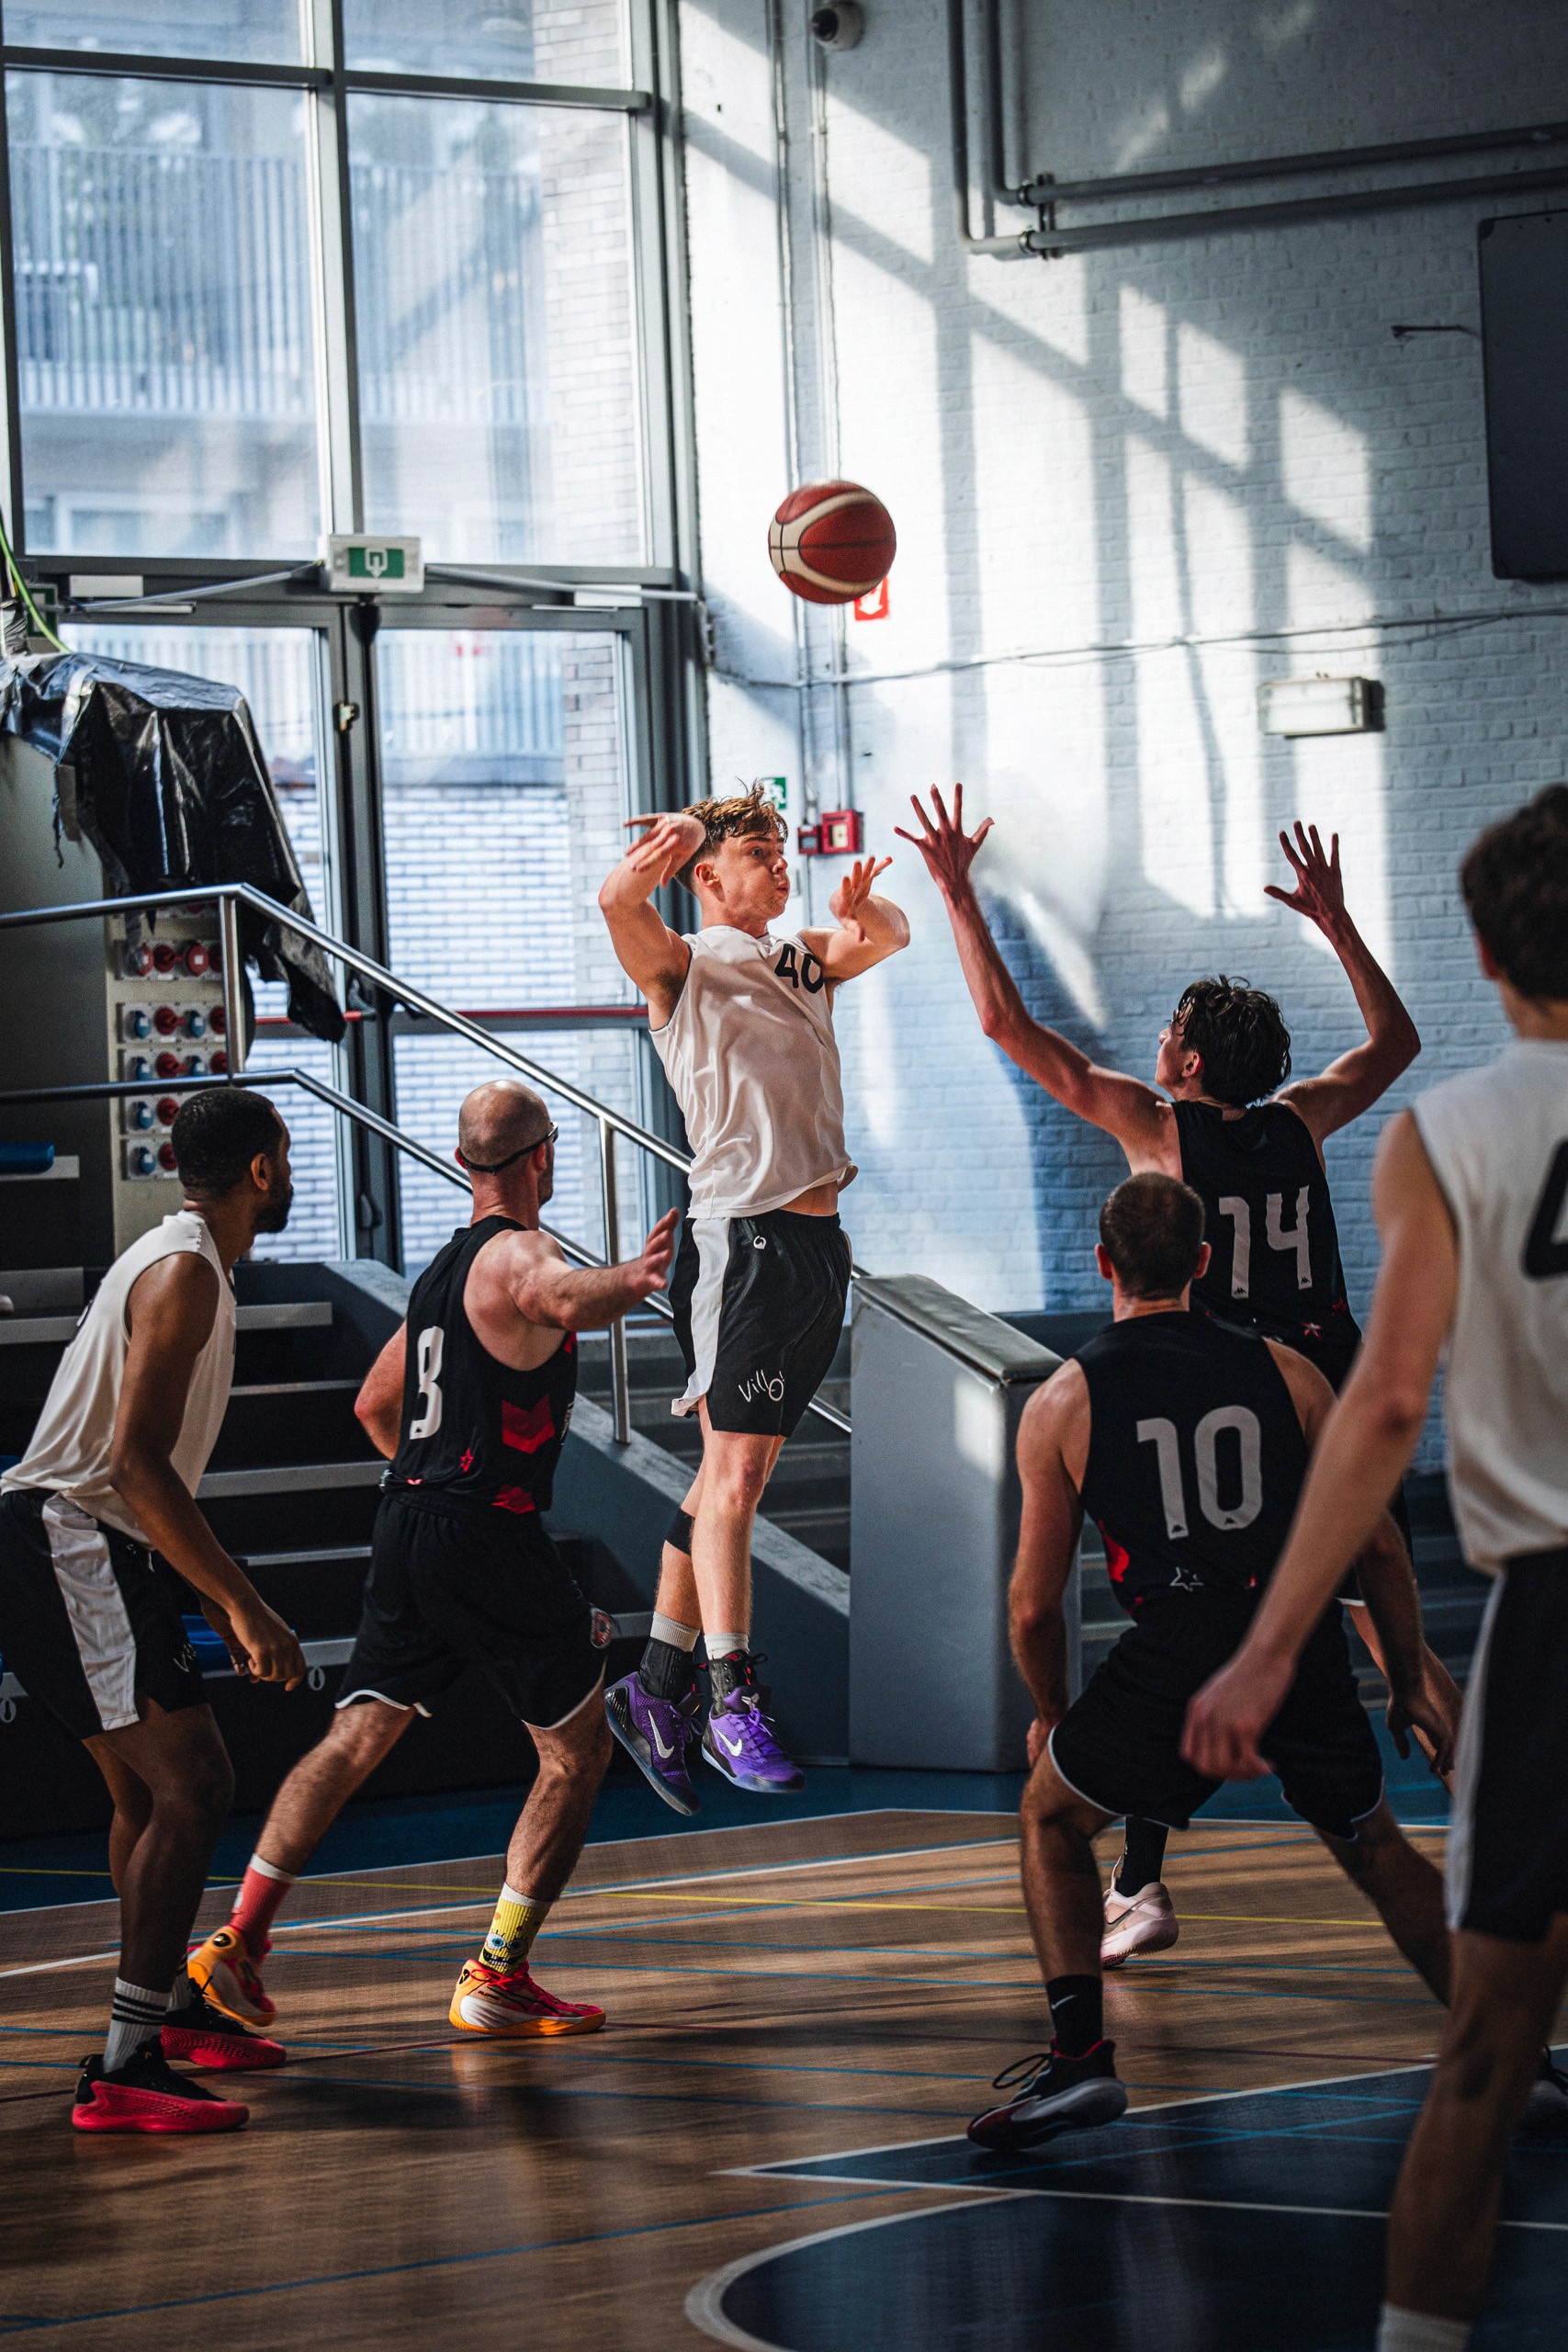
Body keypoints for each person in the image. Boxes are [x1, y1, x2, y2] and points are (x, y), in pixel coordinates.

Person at [898, 787, 1458, 1963]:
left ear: (1189, 1059)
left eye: (1167, 1032)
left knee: (1194, 1607)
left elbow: (1011, 1031)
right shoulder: (1301, 1120)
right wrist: (1342, 924)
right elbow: (1398, 1044)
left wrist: (955, 892)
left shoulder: (1163, 1131)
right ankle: (1472, 1809)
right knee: (1377, 1606)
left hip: (1232, 1385)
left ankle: (1138, 1883)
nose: (1154, 1042)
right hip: (1335, 1383)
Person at [1182, 786, 1568, 2352]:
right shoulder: (1344, 1119)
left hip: (1549, 1600)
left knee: (1483, 2054)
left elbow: (1386, 1404)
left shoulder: (1449, 1134)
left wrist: (1278, 1642)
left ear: (1479, 951)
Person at [969, 1172, 1456, 2154]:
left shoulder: (1064, 1399)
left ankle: (1078, 2060)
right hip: (1293, 1639)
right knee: (1377, 1844)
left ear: (1105, 1264)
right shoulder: (1290, 1372)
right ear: (1202, 1263)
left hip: (1176, 1650)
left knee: (1051, 1817)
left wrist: (1054, 1714)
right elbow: (1383, 1549)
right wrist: (1406, 1678)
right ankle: (1506, 2047)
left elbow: (1032, 1602)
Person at [187, 1081, 675, 2041]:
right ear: (543, 1157)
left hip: (408, 1523)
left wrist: (434, 1482)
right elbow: (557, 1292)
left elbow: (375, 1406)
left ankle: (236, 1941)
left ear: (465, 1163)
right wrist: (634, 1279)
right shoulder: (521, 1253)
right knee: (577, 1751)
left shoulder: (439, 1277)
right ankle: (498, 1971)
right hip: (481, 1531)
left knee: (354, 1737)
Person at [0, 1086, 307, 2134]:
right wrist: (244, 1601)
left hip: (79, 1538)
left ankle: (165, 2013)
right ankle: (130, 2062)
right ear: (261, 1169)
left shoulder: (180, 1256)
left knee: (145, 1793)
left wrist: (207, 1593)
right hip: (69, 1536)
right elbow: (132, 1465)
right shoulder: (182, 1272)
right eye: (287, 1154)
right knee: (197, 1782)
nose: (290, 1169)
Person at [596, 785, 908, 1808]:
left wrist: (867, 914)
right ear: (708, 876)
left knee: (733, 1481)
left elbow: (892, 935)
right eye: (759, 853)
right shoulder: (684, 963)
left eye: (782, 851)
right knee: (730, 1480)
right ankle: (729, 1694)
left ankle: (656, 1685)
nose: (780, 866)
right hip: (746, 1237)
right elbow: (614, 900)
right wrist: (670, 842)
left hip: (819, 1243)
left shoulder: (797, 959)